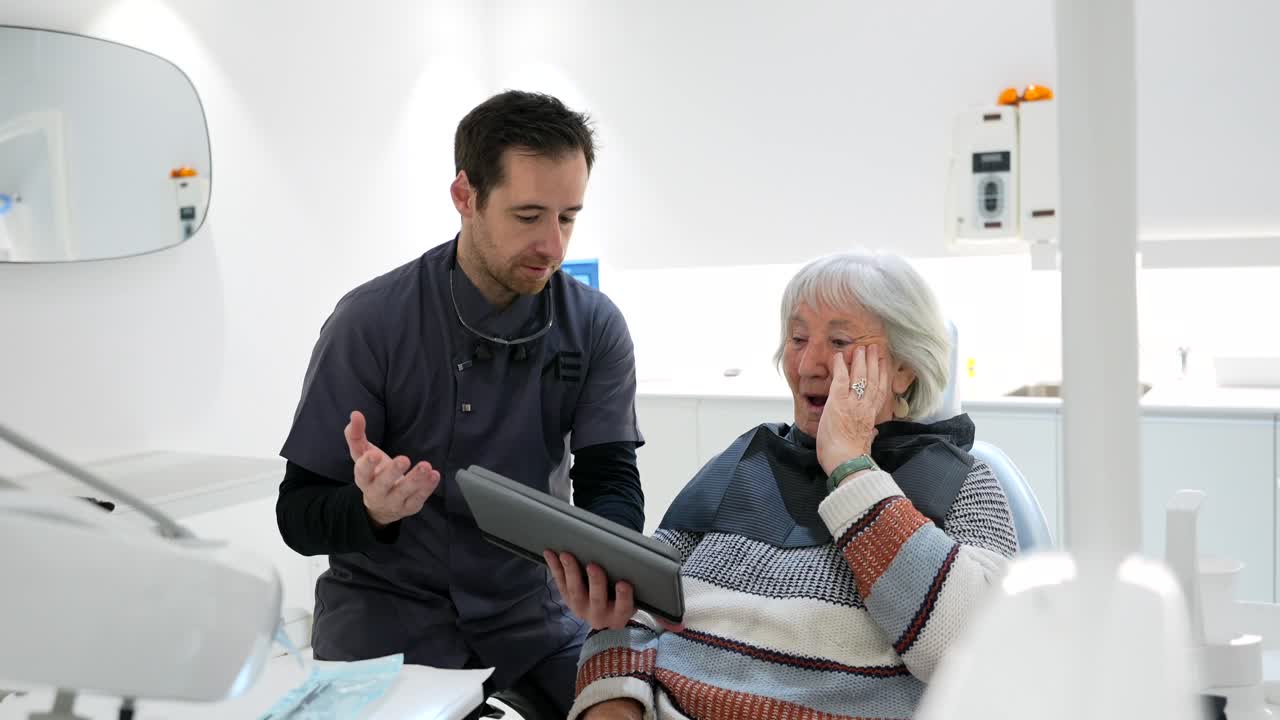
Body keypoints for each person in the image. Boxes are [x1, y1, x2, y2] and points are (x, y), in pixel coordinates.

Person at [276, 90, 646, 716]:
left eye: (568, 217)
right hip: (388, 622)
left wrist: (607, 564)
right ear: (465, 197)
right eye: (528, 216)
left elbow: (610, 477)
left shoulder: (595, 326)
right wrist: (370, 510)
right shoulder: (370, 323)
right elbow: (298, 515)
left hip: (533, 619)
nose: (553, 247)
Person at [555, 251, 1019, 720]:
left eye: (839, 341)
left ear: (904, 369)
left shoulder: (963, 482)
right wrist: (612, 701)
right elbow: (636, 599)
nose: (808, 364)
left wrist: (852, 467)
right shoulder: (744, 460)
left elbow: (979, 650)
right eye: (797, 338)